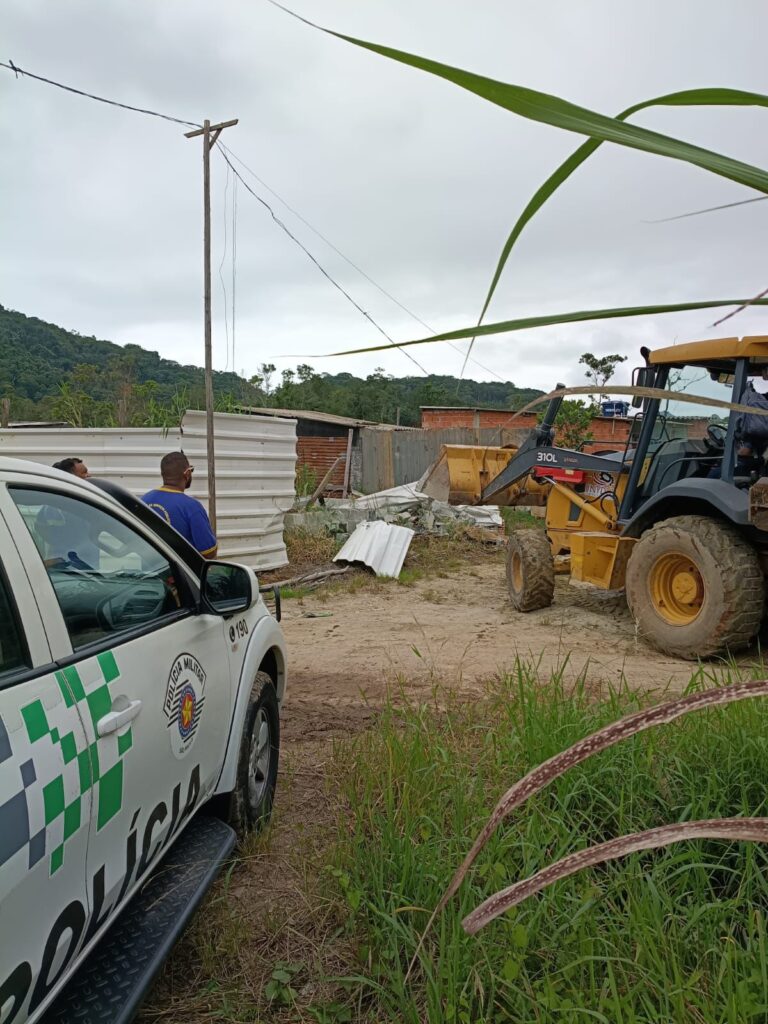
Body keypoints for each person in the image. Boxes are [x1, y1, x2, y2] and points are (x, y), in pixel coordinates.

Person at [142, 451, 218, 558]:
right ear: (187, 474)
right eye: (191, 470)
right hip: (179, 573)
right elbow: (209, 551)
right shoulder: (192, 507)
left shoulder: (144, 500)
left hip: (150, 571)